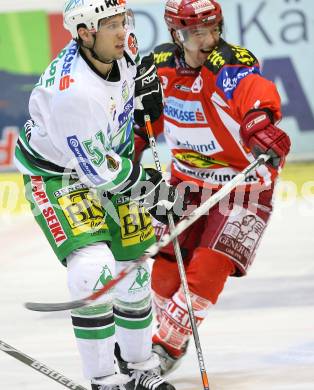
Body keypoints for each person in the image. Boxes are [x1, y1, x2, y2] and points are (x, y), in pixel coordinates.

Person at [14, 1, 180, 389]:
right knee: (93, 270)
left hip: (110, 160)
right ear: (85, 33)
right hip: (59, 175)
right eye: (110, 25)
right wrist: (149, 186)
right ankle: (104, 380)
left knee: (134, 272)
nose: (123, 32)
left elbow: (138, 63)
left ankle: (141, 368)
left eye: (123, 21)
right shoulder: (73, 94)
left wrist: (145, 81)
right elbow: (98, 172)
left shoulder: (122, 45)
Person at [134, 0, 291, 375]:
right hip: (185, 182)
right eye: (195, 33)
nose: (207, 40)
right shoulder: (159, 65)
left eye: (213, 29)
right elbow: (144, 120)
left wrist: (259, 123)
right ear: (176, 35)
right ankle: (168, 338)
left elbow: (251, 90)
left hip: (243, 186)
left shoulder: (230, 62)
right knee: (164, 277)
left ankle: (165, 347)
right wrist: (132, 149)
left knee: (206, 269)